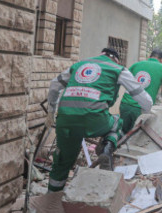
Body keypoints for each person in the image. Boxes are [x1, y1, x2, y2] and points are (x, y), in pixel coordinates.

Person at [45, 48, 153, 192]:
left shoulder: (79, 65)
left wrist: (51, 111)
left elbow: (54, 85)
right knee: (117, 122)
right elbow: (145, 101)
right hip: (95, 119)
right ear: (116, 59)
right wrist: (147, 112)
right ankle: (107, 148)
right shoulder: (118, 69)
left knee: (62, 161)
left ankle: (51, 200)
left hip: (65, 120)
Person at [119, 49, 162, 134]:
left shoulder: (136, 65)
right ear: (161, 60)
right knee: (135, 137)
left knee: (122, 134)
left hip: (125, 104)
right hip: (141, 109)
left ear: (149, 57)